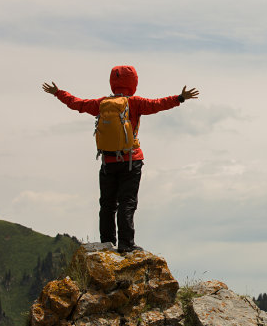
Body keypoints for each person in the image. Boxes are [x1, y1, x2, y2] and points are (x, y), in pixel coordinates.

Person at [42, 65, 199, 253]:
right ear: (134, 82)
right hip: (131, 160)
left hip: (108, 162)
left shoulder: (101, 103)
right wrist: (180, 98)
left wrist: (58, 93)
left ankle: (107, 242)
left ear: (112, 82)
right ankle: (126, 244)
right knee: (127, 202)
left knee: (107, 204)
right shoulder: (135, 102)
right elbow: (158, 104)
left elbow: (78, 104)